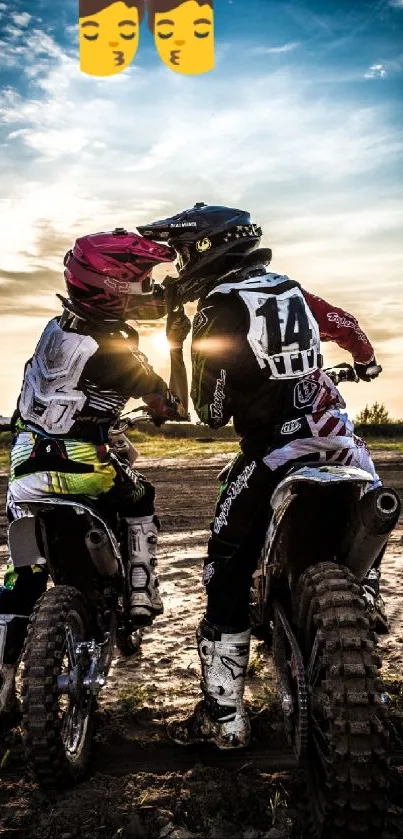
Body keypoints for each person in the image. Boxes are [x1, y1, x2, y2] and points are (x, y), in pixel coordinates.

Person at [138, 203, 387, 750]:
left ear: (207, 249)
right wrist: (363, 360)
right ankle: (365, 606)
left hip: (275, 454)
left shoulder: (219, 308)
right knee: (367, 531)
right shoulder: (291, 289)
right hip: (344, 448)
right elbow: (345, 326)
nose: (178, 266)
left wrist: (181, 347)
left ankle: (225, 717)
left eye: (182, 253)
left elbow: (211, 411)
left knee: (225, 568)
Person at [0, 227, 189, 716]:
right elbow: (170, 407)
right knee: (140, 497)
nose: (148, 286)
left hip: (26, 467)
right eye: (141, 278)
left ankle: (1, 681)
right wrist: (174, 344)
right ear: (115, 284)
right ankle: (143, 589)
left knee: (23, 572)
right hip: (85, 465)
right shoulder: (120, 355)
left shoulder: (55, 331)